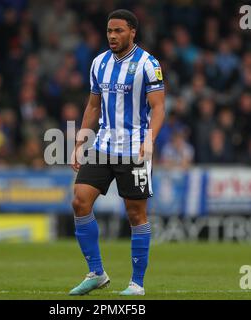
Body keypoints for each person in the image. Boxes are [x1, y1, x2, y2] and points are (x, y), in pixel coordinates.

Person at [69, 9, 165, 296]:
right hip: (103, 147)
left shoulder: (149, 64)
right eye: (109, 31)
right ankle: (97, 273)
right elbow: (93, 106)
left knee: (136, 214)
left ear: (132, 31)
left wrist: (149, 140)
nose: (112, 36)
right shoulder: (99, 63)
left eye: (118, 31)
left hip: (134, 150)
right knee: (79, 201)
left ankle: (137, 284)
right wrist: (80, 141)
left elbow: (159, 107)